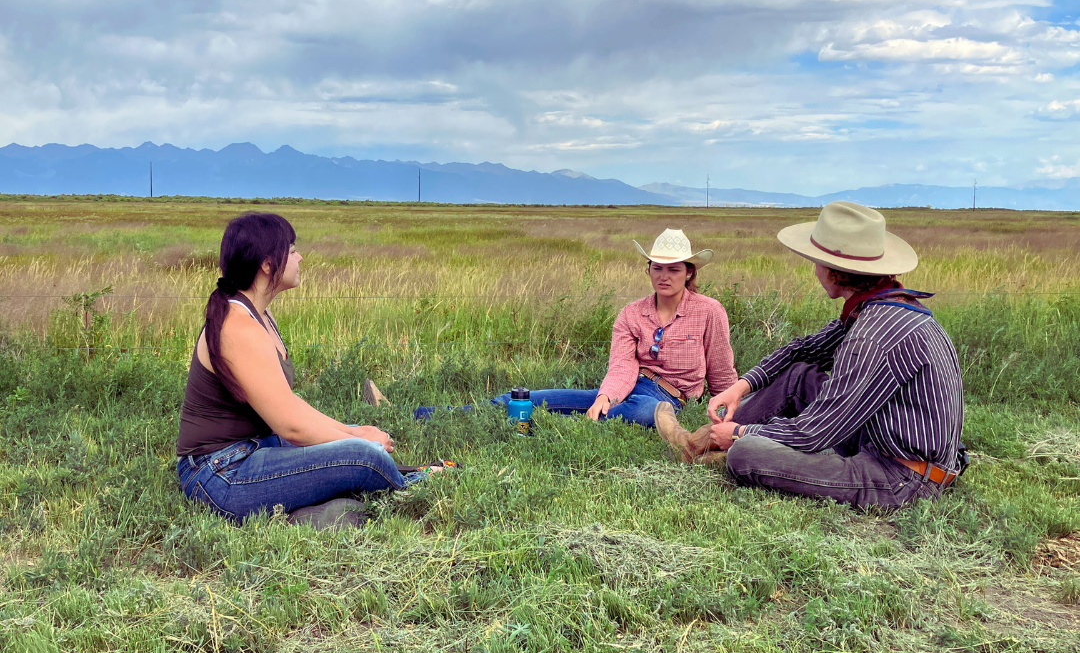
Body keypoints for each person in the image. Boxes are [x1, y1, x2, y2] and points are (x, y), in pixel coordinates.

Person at [701, 201, 965, 508]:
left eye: (817, 261)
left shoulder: (871, 335)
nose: (815, 269)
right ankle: (704, 440)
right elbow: (803, 350)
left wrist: (740, 433)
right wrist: (741, 386)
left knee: (745, 454)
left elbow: (813, 433)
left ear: (833, 272)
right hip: (887, 441)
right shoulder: (882, 307)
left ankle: (717, 440)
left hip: (902, 477)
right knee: (799, 376)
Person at [393, 228, 738, 453]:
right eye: (657, 268)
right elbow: (622, 364)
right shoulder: (631, 314)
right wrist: (605, 396)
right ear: (647, 269)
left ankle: (539, 431)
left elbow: (722, 374)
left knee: (647, 413)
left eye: (674, 269)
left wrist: (727, 419)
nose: (664, 276)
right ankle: (419, 414)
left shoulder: (709, 312)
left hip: (669, 397)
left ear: (690, 273)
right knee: (524, 398)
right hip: (626, 386)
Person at [176, 212, 421, 526]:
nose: (300, 257)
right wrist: (359, 442)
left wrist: (354, 432)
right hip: (221, 475)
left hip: (257, 450)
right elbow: (291, 427)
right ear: (267, 264)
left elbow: (289, 407)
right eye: (291, 250)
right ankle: (420, 486)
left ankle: (313, 513)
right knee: (364, 457)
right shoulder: (239, 327)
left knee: (354, 448)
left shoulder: (260, 315)